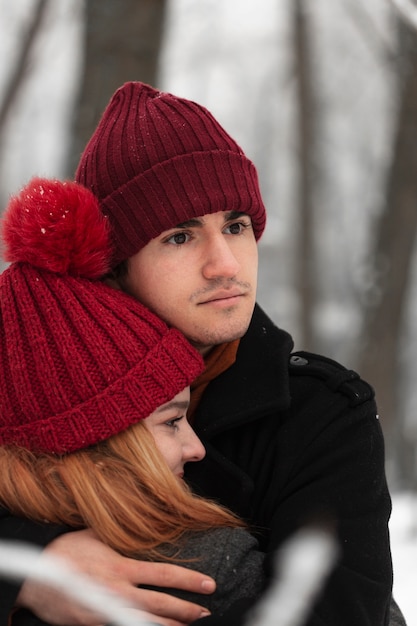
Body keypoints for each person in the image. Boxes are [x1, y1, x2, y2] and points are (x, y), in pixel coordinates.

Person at [0, 82, 404, 626]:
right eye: (180, 237)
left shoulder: (322, 415)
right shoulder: (32, 385)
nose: (225, 265)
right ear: (116, 265)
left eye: (236, 227)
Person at [0, 177, 265, 626]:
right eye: (171, 422)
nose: (197, 448)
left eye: (237, 226)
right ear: (95, 444)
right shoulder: (209, 568)